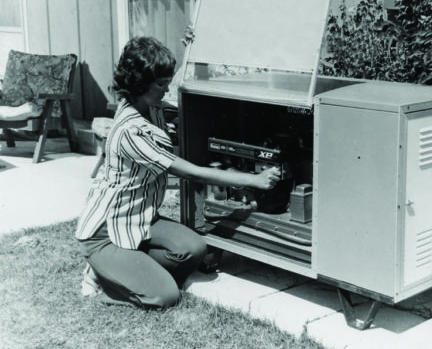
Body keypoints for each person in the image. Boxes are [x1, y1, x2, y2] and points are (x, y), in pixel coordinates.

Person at [75, 36, 280, 309]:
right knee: (165, 296)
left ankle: (128, 266)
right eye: (161, 84)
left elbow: (184, 107)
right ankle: (101, 277)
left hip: (140, 219)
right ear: (140, 84)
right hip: (106, 232)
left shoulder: (150, 105)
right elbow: (193, 173)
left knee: (193, 249)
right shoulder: (131, 132)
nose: (167, 88)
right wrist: (255, 179)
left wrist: (196, 47)